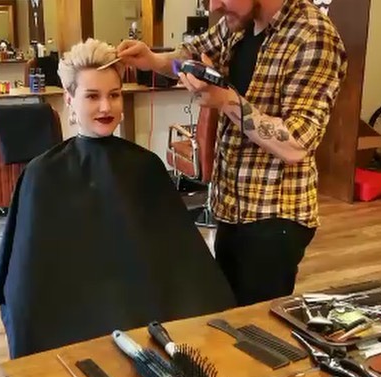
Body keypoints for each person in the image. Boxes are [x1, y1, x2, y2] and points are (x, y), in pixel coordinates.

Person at [0, 38, 235, 360]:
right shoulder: (41, 175)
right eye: (92, 96)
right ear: (69, 100)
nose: (106, 107)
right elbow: (27, 285)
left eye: (114, 95)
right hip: (71, 336)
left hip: (145, 327)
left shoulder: (146, 167)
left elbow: (184, 265)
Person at [117, 0, 348, 306]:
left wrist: (225, 101)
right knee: (227, 310)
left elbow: (296, 143)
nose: (214, 6)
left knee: (255, 321)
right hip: (229, 207)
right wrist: (153, 60)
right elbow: (189, 56)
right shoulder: (237, 23)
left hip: (273, 217)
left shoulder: (313, 36)